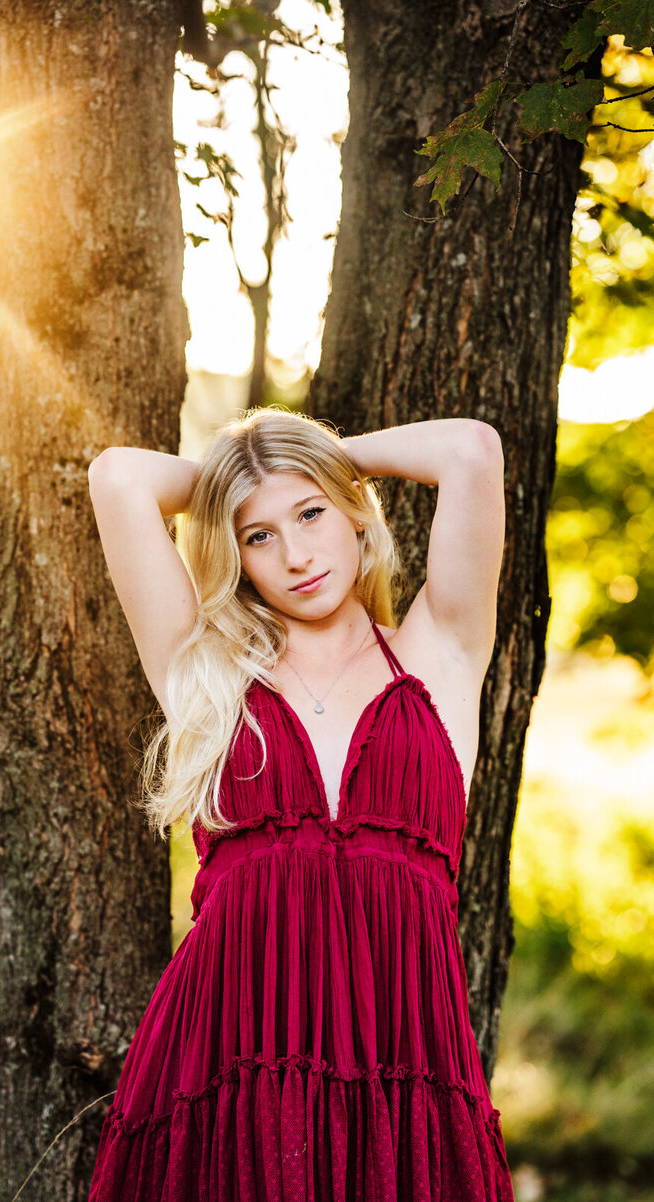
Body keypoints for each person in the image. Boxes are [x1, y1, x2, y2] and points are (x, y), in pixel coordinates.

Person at [86, 406, 512, 1201]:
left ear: (355, 515)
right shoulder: (203, 673)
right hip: (228, 1062)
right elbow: (119, 478)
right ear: (237, 558)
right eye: (258, 536)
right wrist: (244, 473)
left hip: (404, 1067)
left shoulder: (442, 651)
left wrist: (306, 458)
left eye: (312, 513)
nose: (295, 554)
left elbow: (470, 449)